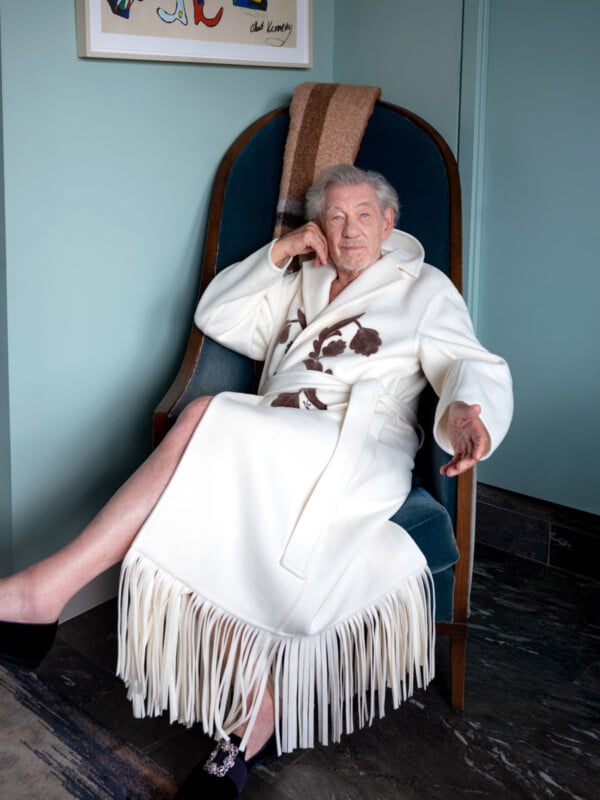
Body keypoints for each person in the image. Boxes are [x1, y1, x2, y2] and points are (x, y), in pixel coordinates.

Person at [0, 164, 513, 799]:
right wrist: (283, 250)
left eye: (363, 215)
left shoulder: (424, 288)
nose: (349, 229)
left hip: (354, 442)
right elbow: (220, 317)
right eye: (334, 217)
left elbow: (467, 362)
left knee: (205, 416)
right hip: (273, 427)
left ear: (389, 222)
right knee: (215, 490)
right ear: (318, 224)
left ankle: (40, 594)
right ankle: (251, 725)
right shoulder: (307, 274)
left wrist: (466, 415)